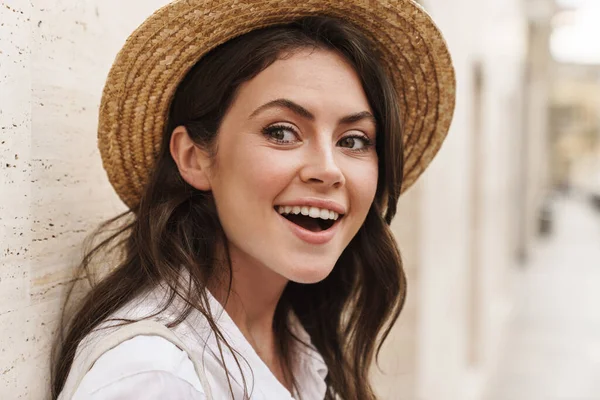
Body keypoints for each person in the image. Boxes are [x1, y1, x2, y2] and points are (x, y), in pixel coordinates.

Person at [51, 1, 455, 399]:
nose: (329, 170)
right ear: (194, 158)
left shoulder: (295, 339)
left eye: (353, 140)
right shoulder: (154, 378)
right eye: (281, 132)